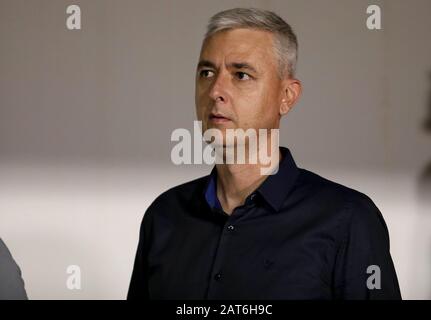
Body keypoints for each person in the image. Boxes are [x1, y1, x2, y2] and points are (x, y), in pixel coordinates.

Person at [127, 7, 401, 300]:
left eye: (241, 75)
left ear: (287, 96)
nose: (215, 90)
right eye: (207, 72)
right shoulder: (165, 215)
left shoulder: (347, 220)